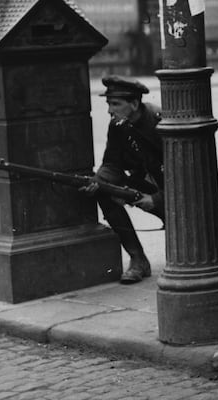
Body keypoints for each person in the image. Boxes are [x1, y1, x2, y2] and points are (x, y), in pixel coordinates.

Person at [82, 75, 165, 284]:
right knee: (105, 192)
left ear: (135, 103)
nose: (110, 110)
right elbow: (112, 163)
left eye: (115, 104)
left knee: (180, 254)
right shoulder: (118, 124)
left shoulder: (160, 122)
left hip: (173, 191)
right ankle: (138, 259)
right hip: (144, 184)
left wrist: (156, 199)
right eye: (109, 103)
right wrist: (99, 181)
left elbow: (183, 174)